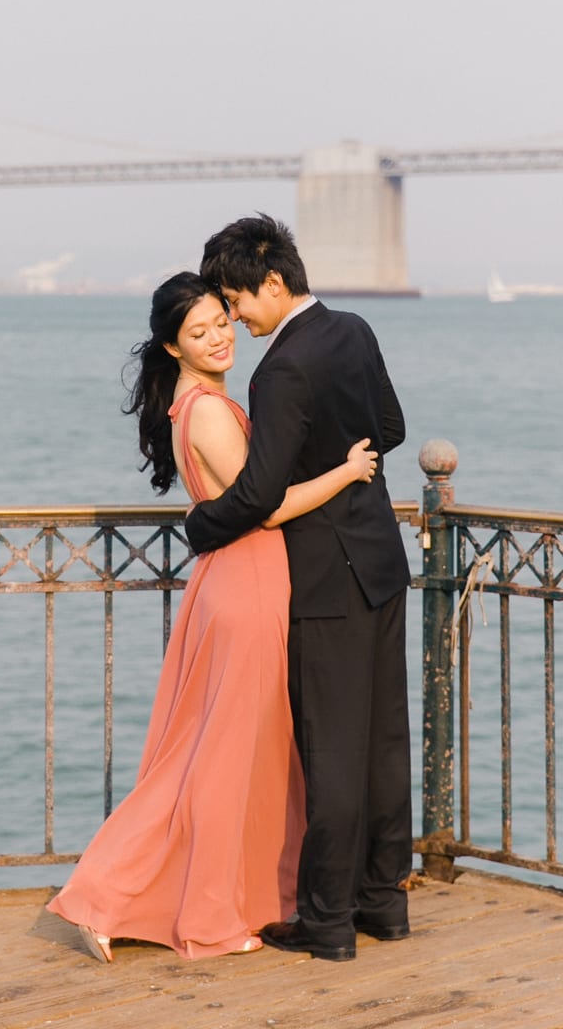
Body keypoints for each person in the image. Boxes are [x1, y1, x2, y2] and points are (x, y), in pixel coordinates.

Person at [47, 271, 378, 963]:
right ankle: (114, 897)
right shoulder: (205, 410)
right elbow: (268, 505)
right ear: (173, 347)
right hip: (247, 587)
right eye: (199, 333)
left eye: (221, 322)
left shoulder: (199, 403)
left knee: (224, 755)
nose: (220, 337)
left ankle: (229, 899)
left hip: (234, 582)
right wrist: (346, 473)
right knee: (218, 761)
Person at [184, 215, 412, 963]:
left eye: (237, 301)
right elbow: (392, 427)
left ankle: (327, 922)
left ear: (272, 284)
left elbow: (258, 491)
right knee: (382, 743)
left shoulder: (279, 370)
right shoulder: (352, 327)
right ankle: (384, 904)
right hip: (380, 558)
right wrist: (347, 467)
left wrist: (201, 526)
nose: (235, 317)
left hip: (321, 577)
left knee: (334, 751)